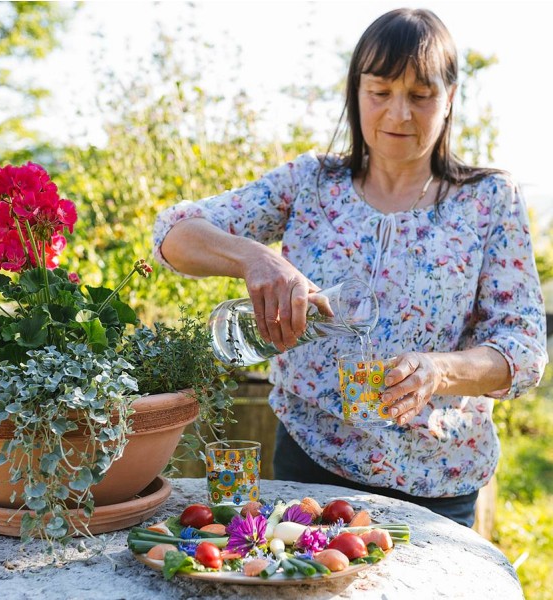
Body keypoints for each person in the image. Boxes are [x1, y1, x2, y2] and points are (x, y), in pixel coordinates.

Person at [153, 8, 548, 527]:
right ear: (355, 92)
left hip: (436, 487)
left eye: (420, 95)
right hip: (309, 466)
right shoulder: (310, 183)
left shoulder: (489, 200)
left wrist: (439, 370)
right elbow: (173, 234)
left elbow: (523, 351)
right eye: (380, 92)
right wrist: (256, 256)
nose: (398, 115)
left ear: (450, 98)